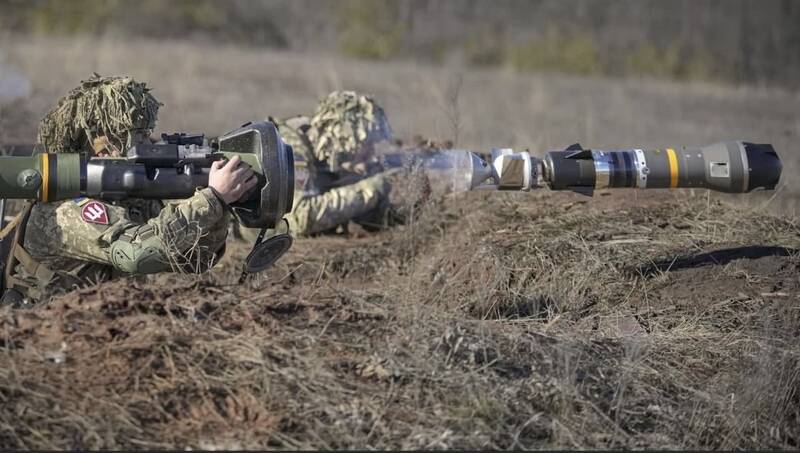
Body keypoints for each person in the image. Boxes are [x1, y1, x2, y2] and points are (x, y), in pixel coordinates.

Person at [0, 75, 256, 306]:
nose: (149, 144)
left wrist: (219, 205)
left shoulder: (125, 200)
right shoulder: (67, 210)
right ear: (103, 147)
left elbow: (195, 259)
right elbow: (137, 253)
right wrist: (212, 198)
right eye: (138, 137)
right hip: (41, 332)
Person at [236, 90, 407, 241]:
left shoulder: (327, 152)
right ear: (344, 136)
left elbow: (367, 217)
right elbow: (302, 218)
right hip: (244, 237)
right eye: (366, 142)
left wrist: (409, 209)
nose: (370, 152)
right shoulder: (289, 147)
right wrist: (373, 188)